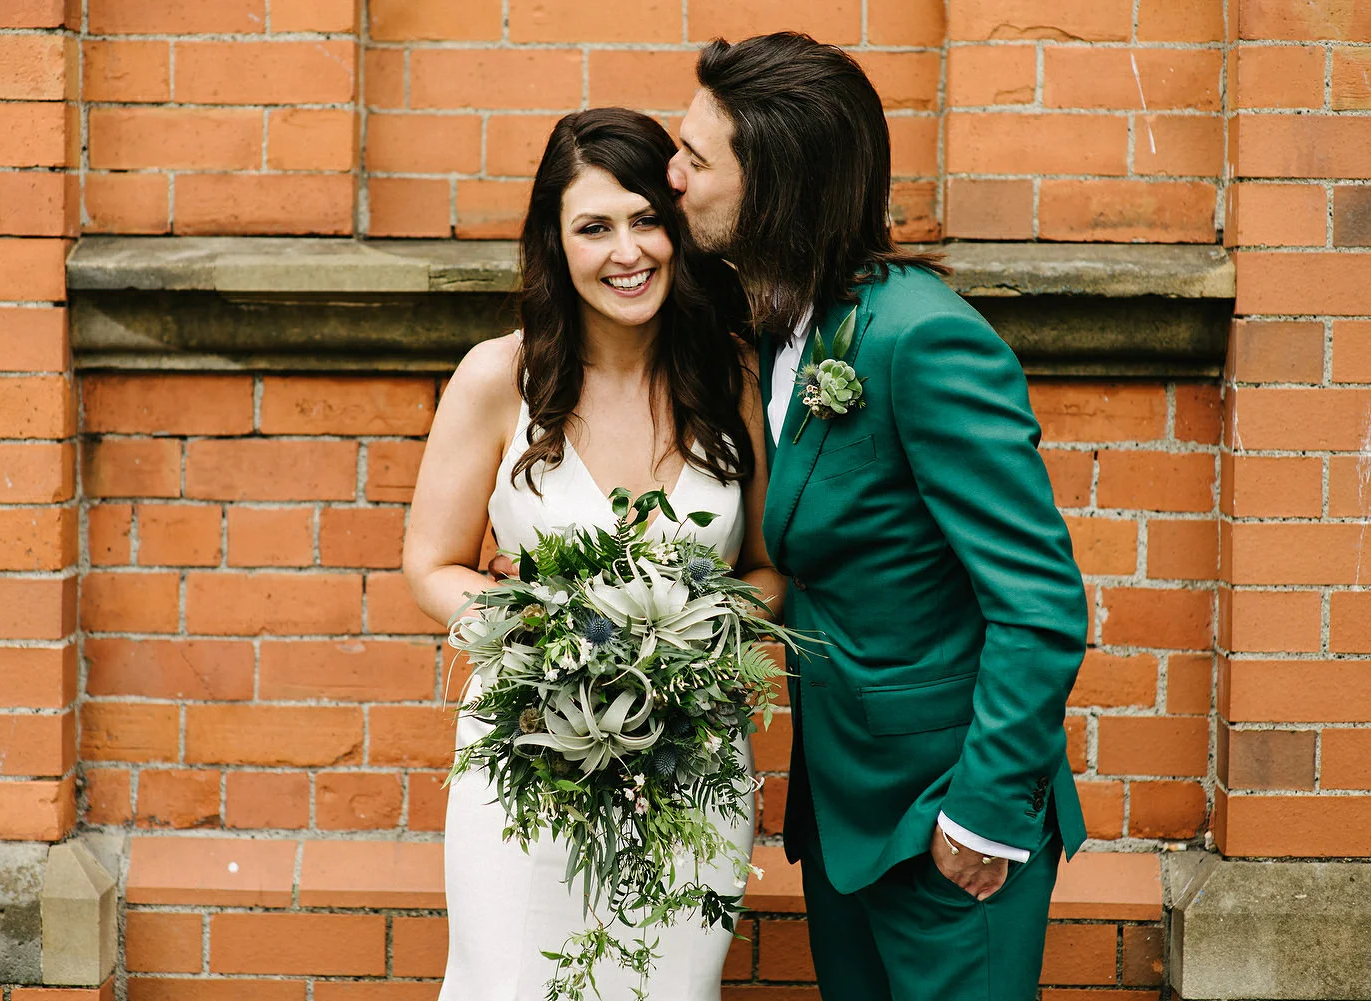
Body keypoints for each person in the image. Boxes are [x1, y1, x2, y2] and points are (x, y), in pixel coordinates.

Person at [666, 32, 1090, 1001]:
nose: (673, 176)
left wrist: (980, 815)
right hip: (847, 812)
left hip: (944, 821)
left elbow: (1040, 600)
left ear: (774, 182)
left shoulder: (923, 338)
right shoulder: (785, 329)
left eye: (697, 156)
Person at [403, 107, 782, 1001]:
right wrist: (553, 638)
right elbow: (430, 564)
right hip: (526, 757)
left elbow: (772, 567)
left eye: (647, 218)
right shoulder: (500, 378)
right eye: (595, 227)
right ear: (556, 243)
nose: (629, 251)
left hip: (692, 769)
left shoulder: (734, 380)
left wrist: (689, 641)